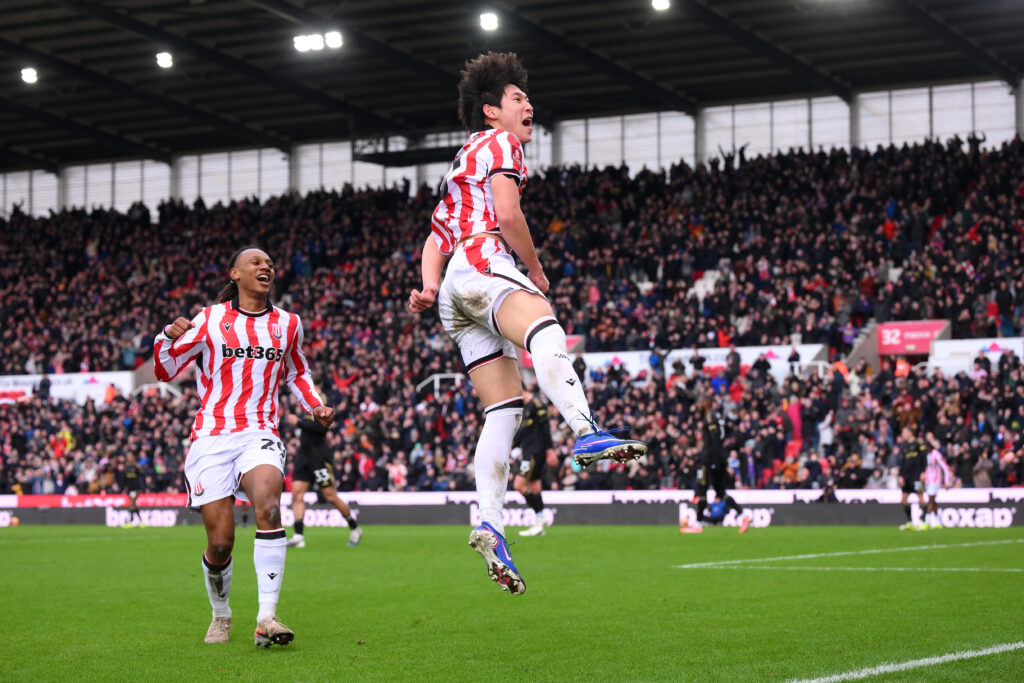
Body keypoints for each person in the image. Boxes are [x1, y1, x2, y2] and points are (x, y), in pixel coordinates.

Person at [408, 52, 646, 596]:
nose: (528, 105)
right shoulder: (501, 143)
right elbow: (510, 216)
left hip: (453, 290)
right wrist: (534, 270)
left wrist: (426, 286)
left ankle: (489, 520)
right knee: (548, 329)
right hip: (487, 262)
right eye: (517, 98)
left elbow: (434, 237)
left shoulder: (460, 159)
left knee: (504, 409)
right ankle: (585, 431)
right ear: (491, 110)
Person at [154, 245, 334, 646]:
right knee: (220, 542)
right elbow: (165, 370)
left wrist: (316, 404)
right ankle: (221, 615)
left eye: (270, 263)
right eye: (256, 262)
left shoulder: (288, 323)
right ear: (234, 274)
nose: (266, 266)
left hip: (260, 433)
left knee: (269, 504)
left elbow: (297, 373)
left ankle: (266, 617)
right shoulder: (210, 319)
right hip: (212, 437)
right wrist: (166, 335)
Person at [285, 409, 363, 548]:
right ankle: (298, 536)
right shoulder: (305, 405)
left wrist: (298, 422)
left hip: (318, 457)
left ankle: (355, 528)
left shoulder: (324, 406)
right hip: (303, 457)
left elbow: (322, 428)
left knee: (331, 496)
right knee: (297, 494)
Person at [682, 398, 750, 533]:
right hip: (717, 458)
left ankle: (697, 524)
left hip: (710, 460)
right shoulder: (716, 417)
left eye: (700, 403)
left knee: (702, 490)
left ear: (706, 404)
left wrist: (713, 460)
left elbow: (714, 439)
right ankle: (742, 515)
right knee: (720, 492)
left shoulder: (709, 417)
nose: (698, 406)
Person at [513, 385, 553, 537]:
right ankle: (539, 523)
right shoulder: (526, 407)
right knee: (535, 487)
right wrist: (513, 444)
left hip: (535, 452)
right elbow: (523, 431)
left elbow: (546, 427)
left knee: (519, 485)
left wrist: (550, 449)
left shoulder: (537, 404)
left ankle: (540, 518)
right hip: (530, 451)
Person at [896, 428, 928, 530]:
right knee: (904, 499)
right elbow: (903, 463)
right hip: (907, 477)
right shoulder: (904, 446)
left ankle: (924, 522)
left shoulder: (918, 443)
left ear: (910, 432)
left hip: (917, 476)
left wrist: (923, 471)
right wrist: (901, 475)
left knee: (920, 497)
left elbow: (924, 458)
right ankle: (910, 522)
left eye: (904, 432)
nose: (903, 434)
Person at [921, 436, 953, 529]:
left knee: (930, 500)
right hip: (928, 481)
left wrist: (947, 482)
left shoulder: (936, 455)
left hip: (935, 481)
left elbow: (945, 467)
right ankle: (938, 522)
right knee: (933, 501)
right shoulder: (927, 456)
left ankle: (926, 521)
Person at [119, 453, 144, 528]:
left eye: (130, 457)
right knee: (134, 506)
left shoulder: (136, 467)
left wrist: (141, 488)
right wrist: (123, 488)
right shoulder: (126, 468)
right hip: (130, 489)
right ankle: (141, 522)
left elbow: (141, 476)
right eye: (128, 457)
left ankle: (129, 522)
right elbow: (124, 479)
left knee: (132, 504)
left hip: (135, 489)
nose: (129, 458)